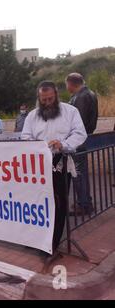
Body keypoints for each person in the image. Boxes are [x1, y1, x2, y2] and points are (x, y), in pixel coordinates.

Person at [21, 81, 87, 256]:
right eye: (43, 100)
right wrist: (37, 146)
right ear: (39, 98)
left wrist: (63, 144)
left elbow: (80, 133)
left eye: (50, 99)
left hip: (60, 162)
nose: (47, 102)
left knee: (58, 203)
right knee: (37, 202)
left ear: (56, 95)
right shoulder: (32, 116)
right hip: (38, 164)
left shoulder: (70, 112)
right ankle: (36, 238)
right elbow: (25, 135)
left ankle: (52, 243)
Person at [66, 73, 98, 215]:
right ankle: (85, 202)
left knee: (78, 173)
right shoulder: (89, 94)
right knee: (81, 172)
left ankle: (84, 204)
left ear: (71, 84)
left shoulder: (80, 97)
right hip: (84, 138)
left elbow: (78, 121)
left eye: (67, 84)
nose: (67, 87)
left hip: (78, 140)